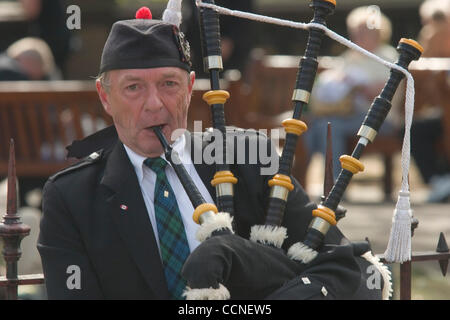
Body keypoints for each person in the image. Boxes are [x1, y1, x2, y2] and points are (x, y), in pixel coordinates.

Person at [37, 6, 387, 300]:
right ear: (104, 96)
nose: (155, 103)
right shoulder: (72, 197)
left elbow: (348, 268)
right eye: (133, 88)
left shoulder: (245, 158)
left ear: (190, 88)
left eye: (169, 84)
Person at [303, 6, 399, 180]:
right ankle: (299, 182)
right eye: (356, 31)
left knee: (330, 127)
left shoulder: (388, 55)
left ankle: (335, 185)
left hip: (380, 120)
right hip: (348, 114)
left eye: (364, 31)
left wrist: (356, 85)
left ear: (379, 32)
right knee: (311, 126)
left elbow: (382, 92)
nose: (358, 36)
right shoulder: (350, 57)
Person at [410, 0, 450, 203]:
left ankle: (440, 181)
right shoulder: (429, 39)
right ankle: (440, 181)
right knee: (414, 128)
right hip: (441, 113)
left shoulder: (434, 37)